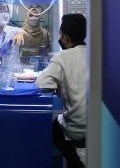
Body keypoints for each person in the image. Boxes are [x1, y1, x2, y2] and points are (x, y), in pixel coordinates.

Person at [36, 14, 87, 168]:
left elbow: (41, 83)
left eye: (60, 34)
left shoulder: (62, 57)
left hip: (76, 128)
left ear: (65, 37)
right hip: (99, 126)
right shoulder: (96, 53)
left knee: (53, 128)